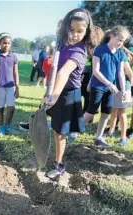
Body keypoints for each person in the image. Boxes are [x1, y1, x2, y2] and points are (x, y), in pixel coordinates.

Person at [44, 8, 96, 179]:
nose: (74, 35)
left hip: (67, 95)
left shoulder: (79, 52)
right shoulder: (64, 42)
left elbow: (63, 73)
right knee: (57, 129)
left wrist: (54, 95)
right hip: (58, 90)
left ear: (87, 31)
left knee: (60, 132)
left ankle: (59, 165)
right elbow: (60, 35)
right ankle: (60, 154)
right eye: (71, 30)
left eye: (79, 31)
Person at [83, 26, 130, 149]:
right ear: (112, 36)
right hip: (98, 85)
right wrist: (109, 83)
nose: (121, 43)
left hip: (111, 89)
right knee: (91, 112)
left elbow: (120, 72)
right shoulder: (100, 49)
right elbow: (96, 71)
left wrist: (123, 90)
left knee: (106, 113)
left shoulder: (120, 53)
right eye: (120, 40)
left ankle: (99, 137)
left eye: (123, 41)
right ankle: (73, 130)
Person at [0, 32, 20, 135]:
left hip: (10, 87)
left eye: (8, 43)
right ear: (0, 43)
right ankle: (1, 127)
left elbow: (15, 72)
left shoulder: (13, 57)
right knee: (0, 108)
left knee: (11, 107)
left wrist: (17, 88)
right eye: (4, 43)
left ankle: (7, 125)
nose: (6, 45)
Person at [107, 54, 133, 145]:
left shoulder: (121, 55)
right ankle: (111, 131)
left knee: (122, 112)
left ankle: (123, 137)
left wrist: (131, 82)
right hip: (113, 86)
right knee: (113, 109)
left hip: (123, 88)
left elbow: (129, 71)